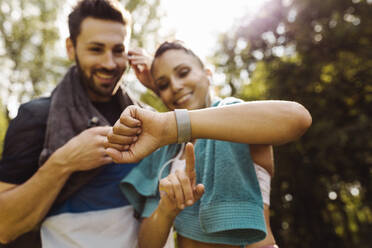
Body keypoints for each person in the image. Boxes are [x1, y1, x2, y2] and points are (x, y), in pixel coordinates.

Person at [105, 41, 312, 247]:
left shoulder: (236, 116)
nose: (175, 86)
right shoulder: (164, 152)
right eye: (163, 85)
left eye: (183, 72)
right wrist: (166, 210)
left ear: (208, 74)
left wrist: (172, 124)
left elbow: (298, 118)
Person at [0, 0, 144, 247]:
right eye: (96, 49)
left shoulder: (142, 117)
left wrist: (160, 85)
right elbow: (3, 226)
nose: (109, 63)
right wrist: (62, 163)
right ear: (71, 48)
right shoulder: (35, 117)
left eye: (118, 50)